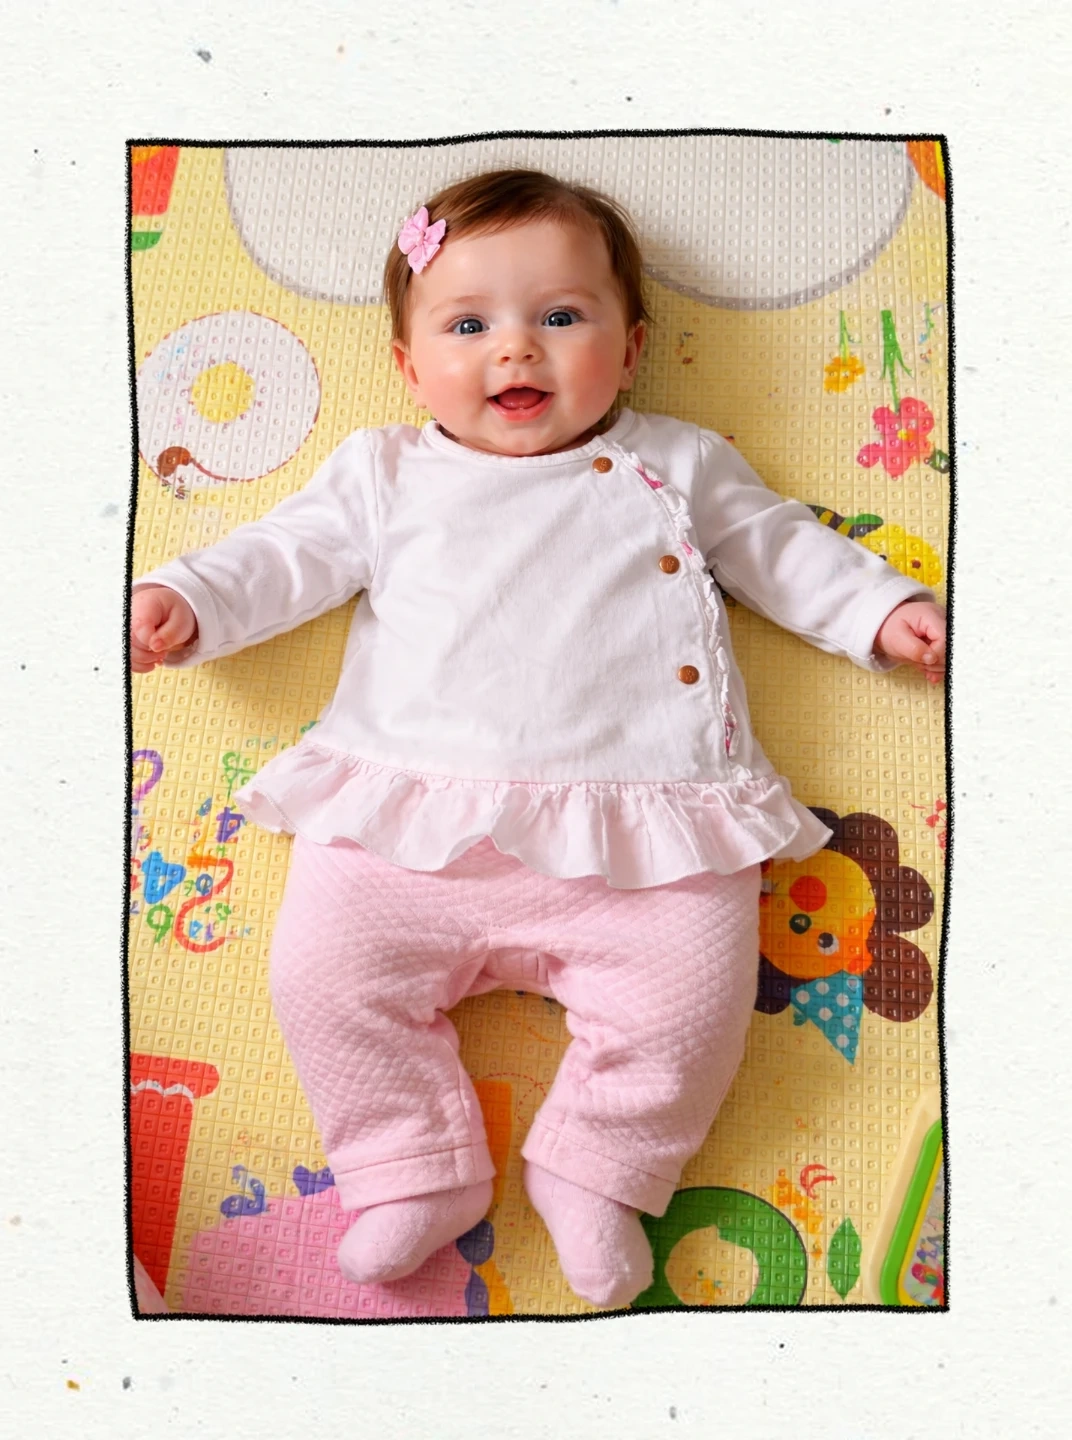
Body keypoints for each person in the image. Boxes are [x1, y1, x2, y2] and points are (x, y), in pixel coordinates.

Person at [130, 168, 946, 1308]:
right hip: (408, 824)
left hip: (644, 828)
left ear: (632, 345)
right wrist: (190, 599)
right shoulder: (384, 472)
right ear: (409, 366)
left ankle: (598, 1166)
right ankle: (411, 1165)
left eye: (561, 316)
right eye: (468, 325)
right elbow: (283, 553)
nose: (516, 348)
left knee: (691, 1011)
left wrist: (878, 610)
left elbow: (781, 546)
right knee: (324, 980)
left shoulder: (679, 463)